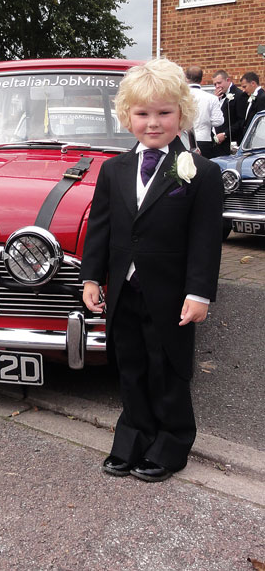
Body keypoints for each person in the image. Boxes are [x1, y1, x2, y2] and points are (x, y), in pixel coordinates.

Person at [81, 58, 223, 483]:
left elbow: (204, 239)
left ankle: (172, 441)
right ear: (127, 117)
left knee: (169, 367)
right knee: (130, 365)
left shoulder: (201, 173)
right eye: (143, 114)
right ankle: (133, 437)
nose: (154, 123)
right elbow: (101, 229)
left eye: (164, 113)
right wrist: (92, 277)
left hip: (173, 293)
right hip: (124, 290)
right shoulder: (113, 169)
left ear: (182, 113)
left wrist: (199, 294)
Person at [184, 65, 223, 156]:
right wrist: (205, 120)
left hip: (185, 140)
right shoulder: (211, 98)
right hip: (204, 139)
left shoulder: (181, 97)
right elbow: (218, 121)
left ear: (186, 78)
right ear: (201, 79)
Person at [211, 69, 244, 156]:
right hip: (217, 144)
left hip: (232, 142)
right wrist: (214, 100)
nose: (217, 86)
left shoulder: (239, 95)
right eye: (215, 84)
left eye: (219, 83)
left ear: (228, 80)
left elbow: (241, 121)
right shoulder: (216, 97)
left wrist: (225, 134)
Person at [237, 71, 265, 145]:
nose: (243, 90)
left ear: (253, 83)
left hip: (258, 139)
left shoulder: (262, 97)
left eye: (244, 87)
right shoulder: (251, 97)